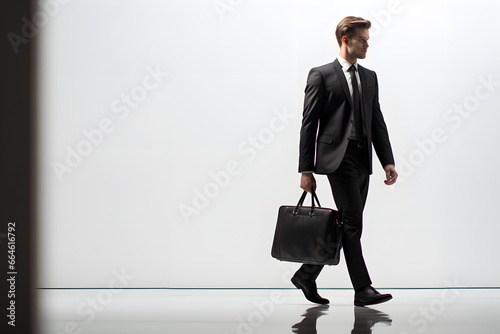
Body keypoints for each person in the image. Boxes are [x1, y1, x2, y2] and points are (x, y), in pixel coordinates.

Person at [291, 16, 398, 306]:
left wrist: (387, 160)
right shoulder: (321, 74)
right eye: (362, 39)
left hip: (363, 158)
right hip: (337, 159)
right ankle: (362, 289)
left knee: (347, 224)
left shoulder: (370, 77)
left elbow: (377, 122)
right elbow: (308, 123)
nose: (367, 44)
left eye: (368, 40)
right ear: (346, 40)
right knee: (352, 223)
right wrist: (306, 168)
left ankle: (307, 273)